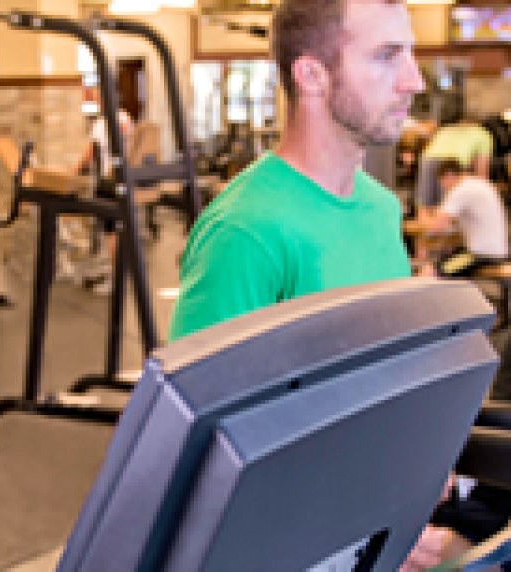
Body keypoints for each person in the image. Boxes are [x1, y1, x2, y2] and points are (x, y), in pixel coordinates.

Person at [169, 0, 450, 569]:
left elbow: (374, 381)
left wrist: (408, 473)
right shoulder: (247, 229)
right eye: (386, 56)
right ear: (312, 75)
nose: (414, 80)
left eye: (411, 54)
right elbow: (196, 450)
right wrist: (355, 515)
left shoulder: (378, 209)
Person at [72, 86, 134, 295]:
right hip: (125, 178)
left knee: (111, 233)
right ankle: (116, 273)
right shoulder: (125, 118)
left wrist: (74, 170)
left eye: (98, 99)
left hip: (109, 182)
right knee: (119, 229)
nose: (97, 102)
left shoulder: (101, 123)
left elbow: (90, 153)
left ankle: (114, 280)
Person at [415, 158, 509, 278]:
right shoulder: (479, 183)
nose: (444, 188)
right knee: (444, 261)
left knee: (430, 271)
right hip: (496, 251)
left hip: (481, 254)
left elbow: (436, 226)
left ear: (449, 175)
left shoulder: (461, 190)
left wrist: (424, 219)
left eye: (443, 183)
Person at [416, 115, 494, 211]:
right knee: (447, 202)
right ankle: (443, 224)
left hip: (427, 159)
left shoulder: (447, 129)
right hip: (451, 163)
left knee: (425, 203)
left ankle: (425, 223)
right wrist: (483, 193)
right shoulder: (483, 134)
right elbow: (482, 169)